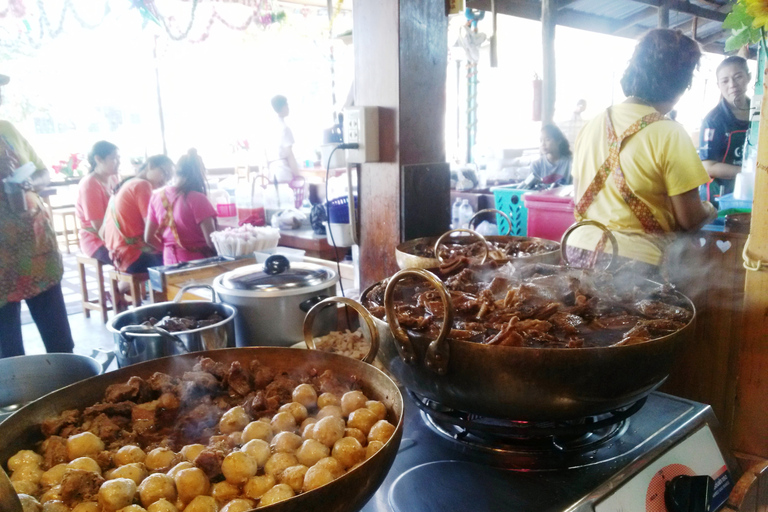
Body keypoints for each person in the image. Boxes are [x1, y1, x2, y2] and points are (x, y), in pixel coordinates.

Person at [568, 29, 717, 273]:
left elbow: (578, 197)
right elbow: (689, 219)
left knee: (578, 312)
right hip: (633, 265)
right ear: (682, 82)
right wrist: (710, 210)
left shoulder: (591, 124)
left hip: (576, 250)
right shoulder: (670, 133)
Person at [0, 72, 74, 358]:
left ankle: (73, 392)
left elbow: (43, 172)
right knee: (9, 355)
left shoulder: (8, 129)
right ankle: (17, 403)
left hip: (38, 253)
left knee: (61, 344)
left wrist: (29, 182)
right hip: (2, 264)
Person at [145, 149, 217, 264]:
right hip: (198, 263)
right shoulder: (198, 199)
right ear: (200, 174)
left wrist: (169, 249)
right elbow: (211, 241)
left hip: (169, 263)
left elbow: (148, 238)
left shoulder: (156, 197)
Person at [102, 154, 172, 273]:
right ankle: (127, 287)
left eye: (169, 178)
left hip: (119, 254)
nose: (165, 181)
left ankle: (124, 286)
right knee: (178, 260)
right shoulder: (142, 185)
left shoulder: (129, 182)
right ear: (150, 166)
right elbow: (152, 230)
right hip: (133, 255)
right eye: (164, 173)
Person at [698, 56, 751, 201]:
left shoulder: (761, 114)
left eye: (738, 77)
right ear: (719, 85)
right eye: (725, 81)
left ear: (749, 77)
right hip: (719, 196)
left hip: (751, 192)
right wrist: (749, 173)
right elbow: (708, 166)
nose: (732, 85)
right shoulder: (713, 121)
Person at [75, 141, 120, 264]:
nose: (118, 162)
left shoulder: (114, 178)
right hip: (95, 239)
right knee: (132, 258)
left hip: (114, 234)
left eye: (118, 158)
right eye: (114, 158)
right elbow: (99, 227)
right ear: (98, 159)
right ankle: (125, 283)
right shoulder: (90, 185)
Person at [265, 95, 301, 183]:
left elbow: (265, 153)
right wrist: (297, 175)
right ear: (283, 107)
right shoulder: (284, 128)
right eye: (287, 105)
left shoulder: (269, 128)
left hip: (272, 171)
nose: (288, 108)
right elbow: (289, 155)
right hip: (283, 171)